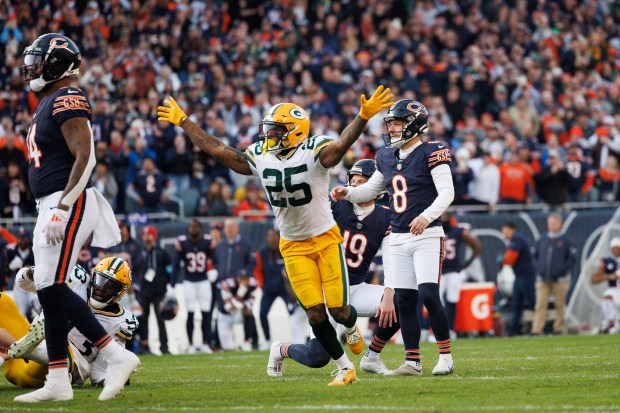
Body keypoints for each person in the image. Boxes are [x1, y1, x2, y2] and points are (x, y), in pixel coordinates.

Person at [158, 85, 394, 385]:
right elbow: (219, 150)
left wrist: (361, 117)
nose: (268, 136)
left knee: (339, 309)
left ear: (294, 132)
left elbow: (339, 147)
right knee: (316, 315)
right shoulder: (261, 155)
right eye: (268, 129)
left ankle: (350, 328)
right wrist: (184, 122)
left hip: (324, 239)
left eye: (276, 130)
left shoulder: (313, 151)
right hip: (293, 245)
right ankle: (345, 368)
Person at [15, 33, 139, 402]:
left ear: (55, 63)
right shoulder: (49, 100)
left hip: (65, 201)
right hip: (52, 203)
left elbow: (86, 158)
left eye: (38, 61)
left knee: (52, 287)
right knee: (50, 291)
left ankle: (116, 357)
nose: (31, 67)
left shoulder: (67, 97)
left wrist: (63, 205)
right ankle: (58, 380)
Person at [331, 99, 456, 376]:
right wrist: (348, 193)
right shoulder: (386, 155)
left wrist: (426, 216)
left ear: (414, 125)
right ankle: (413, 361)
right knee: (405, 300)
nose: (392, 129)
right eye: (391, 124)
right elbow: (371, 190)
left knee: (429, 294)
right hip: (398, 236)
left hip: (427, 233)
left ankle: (445, 356)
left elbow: (448, 192)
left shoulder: (432, 151)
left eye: (398, 123)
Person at [268, 158, 398, 376]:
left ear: (375, 187)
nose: (354, 186)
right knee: (317, 358)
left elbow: (392, 258)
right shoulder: (334, 205)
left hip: (356, 287)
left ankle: (372, 357)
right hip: (328, 291)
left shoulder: (385, 216)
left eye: (361, 181)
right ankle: (280, 349)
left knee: (402, 301)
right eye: (352, 181)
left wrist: (389, 291)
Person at [6, 258, 138, 387]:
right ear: (92, 275)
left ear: (121, 292)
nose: (102, 289)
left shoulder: (120, 322)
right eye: (101, 280)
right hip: (21, 364)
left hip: (60, 368)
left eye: (111, 286)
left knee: (58, 337)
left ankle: (29, 348)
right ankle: (26, 346)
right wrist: (32, 273)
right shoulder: (76, 280)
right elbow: (22, 283)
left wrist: (114, 376)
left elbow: (99, 372)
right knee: (4, 302)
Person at [174, 219, 218, 353]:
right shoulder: (182, 242)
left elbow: (215, 258)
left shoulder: (207, 241)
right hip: (189, 281)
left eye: (195, 226)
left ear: (200, 228)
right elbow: (176, 264)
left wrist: (213, 270)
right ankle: (191, 344)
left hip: (204, 281)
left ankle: (205, 342)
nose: (193, 229)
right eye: (191, 226)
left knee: (206, 313)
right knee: (190, 313)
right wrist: (172, 284)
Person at [213, 218, 257, 348]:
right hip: (224, 286)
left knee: (247, 310)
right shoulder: (220, 246)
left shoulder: (245, 244)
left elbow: (252, 263)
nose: (229, 229)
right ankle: (220, 343)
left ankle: (250, 340)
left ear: (237, 228)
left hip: (240, 285)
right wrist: (218, 274)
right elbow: (216, 262)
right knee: (223, 311)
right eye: (227, 227)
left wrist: (244, 276)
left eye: (232, 226)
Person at [531, 214, 577, 335]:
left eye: (554, 223)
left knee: (559, 304)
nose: (552, 226)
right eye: (550, 223)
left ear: (560, 224)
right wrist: (539, 269)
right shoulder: (542, 239)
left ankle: (558, 328)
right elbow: (534, 257)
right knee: (540, 304)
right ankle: (537, 329)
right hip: (543, 278)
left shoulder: (566, 240)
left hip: (560, 279)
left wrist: (561, 270)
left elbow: (572, 259)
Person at [439, 212, 483, 332]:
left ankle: (450, 330)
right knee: (436, 302)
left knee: (451, 301)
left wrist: (465, 265)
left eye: (446, 217)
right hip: (438, 272)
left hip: (453, 271)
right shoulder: (434, 231)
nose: (444, 219)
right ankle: (435, 331)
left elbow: (477, 246)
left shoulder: (458, 231)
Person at [137, 226, 173, 355]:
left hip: (158, 292)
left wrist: (167, 285)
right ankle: (144, 346)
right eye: (145, 235)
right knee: (143, 320)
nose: (147, 237)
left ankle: (164, 346)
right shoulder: (139, 252)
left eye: (149, 234)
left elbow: (169, 270)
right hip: (144, 291)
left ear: (154, 236)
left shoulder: (162, 253)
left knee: (160, 319)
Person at [255, 229, 290, 350]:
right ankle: (267, 339)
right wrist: (261, 284)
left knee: (293, 311)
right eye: (269, 236)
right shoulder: (262, 252)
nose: (272, 238)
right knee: (262, 313)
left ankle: (301, 336)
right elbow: (257, 270)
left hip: (284, 288)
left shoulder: (285, 249)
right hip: (268, 289)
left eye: (274, 235)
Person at [500, 221, 536, 336]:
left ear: (510, 229)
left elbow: (509, 260)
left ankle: (541, 328)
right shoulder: (516, 239)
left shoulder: (518, 239)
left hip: (525, 275)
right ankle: (512, 331)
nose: (503, 232)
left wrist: (503, 259)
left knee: (532, 303)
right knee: (517, 304)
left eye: (504, 229)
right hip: (520, 275)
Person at [217, 273, 259, 351]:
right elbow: (228, 307)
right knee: (228, 348)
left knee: (249, 314)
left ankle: (248, 341)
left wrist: (241, 303)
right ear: (237, 278)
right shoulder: (228, 284)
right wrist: (240, 294)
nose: (244, 282)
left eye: (246, 279)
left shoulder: (252, 285)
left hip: (238, 314)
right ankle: (216, 344)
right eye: (242, 279)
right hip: (225, 315)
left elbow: (249, 304)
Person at [591, 237, 620, 334]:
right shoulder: (607, 261)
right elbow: (594, 279)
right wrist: (609, 276)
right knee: (608, 295)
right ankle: (610, 322)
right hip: (616, 290)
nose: (616, 250)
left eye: (618, 248)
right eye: (614, 248)